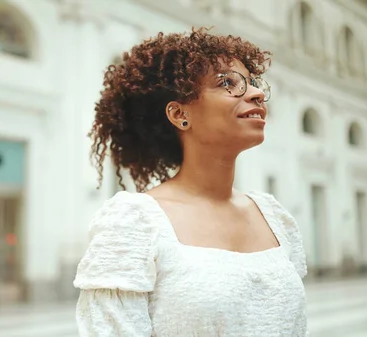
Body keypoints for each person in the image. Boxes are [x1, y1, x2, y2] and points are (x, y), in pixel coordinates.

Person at [73, 27, 308, 337]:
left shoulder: (274, 217)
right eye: (227, 83)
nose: (256, 93)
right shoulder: (135, 222)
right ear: (179, 114)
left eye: (253, 83)